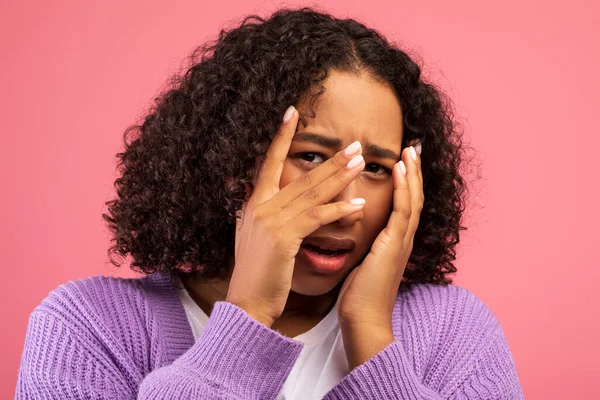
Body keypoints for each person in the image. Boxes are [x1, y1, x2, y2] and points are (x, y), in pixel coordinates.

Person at [15, 7, 524, 399]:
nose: (347, 203)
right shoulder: (87, 327)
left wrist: (370, 333)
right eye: (311, 156)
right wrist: (249, 313)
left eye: (374, 168)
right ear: (233, 160)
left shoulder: (454, 331)